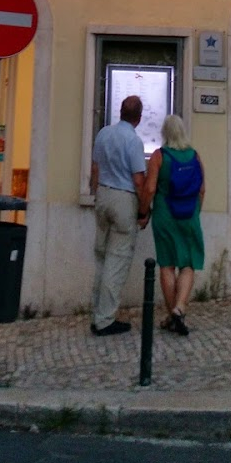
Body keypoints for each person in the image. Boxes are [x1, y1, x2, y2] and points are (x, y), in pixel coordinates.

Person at [89, 94, 147, 336]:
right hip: (124, 199)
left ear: (120, 112)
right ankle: (105, 319)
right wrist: (144, 210)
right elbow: (138, 180)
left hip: (103, 194)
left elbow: (95, 168)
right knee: (118, 261)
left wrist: (96, 194)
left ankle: (97, 312)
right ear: (139, 118)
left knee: (102, 257)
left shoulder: (103, 133)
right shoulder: (133, 141)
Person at [141, 113, 204, 336]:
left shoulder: (159, 156)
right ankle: (180, 308)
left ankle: (172, 314)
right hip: (190, 215)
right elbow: (202, 189)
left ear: (165, 134)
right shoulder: (194, 156)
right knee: (188, 264)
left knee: (167, 264)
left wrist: (143, 211)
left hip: (165, 216)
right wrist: (195, 211)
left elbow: (149, 188)